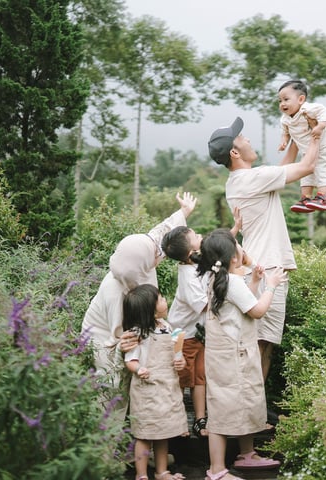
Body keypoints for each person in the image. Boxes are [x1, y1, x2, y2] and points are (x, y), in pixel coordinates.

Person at [208, 116, 320, 385]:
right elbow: (307, 166)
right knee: (261, 344)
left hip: (257, 265)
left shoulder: (241, 181)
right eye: (241, 138)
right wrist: (315, 135)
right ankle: (249, 407)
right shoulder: (252, 179)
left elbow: (281, 170)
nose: (247, 139)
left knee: (259, 342)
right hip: (266, 268)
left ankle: (250, 406)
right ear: (235, 152)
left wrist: (294, 134)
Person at [80, 192, 198, 421]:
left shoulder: (143, 249)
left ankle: (133, 445)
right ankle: (108, 448)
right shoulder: (117, 292)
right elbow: (120, 335)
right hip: (104, 337)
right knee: (114, 390)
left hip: (132, 330)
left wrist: (184, 211)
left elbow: (162, 233)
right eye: (154, 255)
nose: (158, 257)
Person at [196, 229, 287, 480]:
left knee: (245, 399)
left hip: (229, 355)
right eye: (238, 246)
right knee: (223, 410)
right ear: (233, 257)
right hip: (232, 357)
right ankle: (216, 471)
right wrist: (270, 286)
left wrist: (255, 283)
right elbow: (257, 311)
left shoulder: (219, 278)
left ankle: (247, 454)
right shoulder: (231, 282)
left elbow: (241, 304)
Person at [160, 210, 243, 439]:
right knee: (182, 380)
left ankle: (199, 419)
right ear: (191, 251)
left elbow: (217, 248)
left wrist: (233, 231)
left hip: (198, 336)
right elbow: (205, 305)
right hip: (184, 337)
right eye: (195, 234)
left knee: (199, 377)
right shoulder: (187, 276)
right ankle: (175, 423)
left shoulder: (197, 262)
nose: (200, 235)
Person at [122, 284, 188, 480]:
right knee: (144, 434)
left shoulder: (166, 327)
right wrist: (139, 368)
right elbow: (130, 360)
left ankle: (162, 472)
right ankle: (141, 474)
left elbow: (177, 353)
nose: (164, 300)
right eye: (160, 298)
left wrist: (180, 361)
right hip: (147, 391)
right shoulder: (138, 334)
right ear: (148, 308)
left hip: (166, 387)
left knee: (163, 432)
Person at [277, 79, 326, 213]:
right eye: (280, 101)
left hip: (324, 148)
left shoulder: (308, 109)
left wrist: (320, 126)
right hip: (307, 151)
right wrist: (284, 141)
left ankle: (322, 197)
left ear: (301, 99)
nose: (282, 104)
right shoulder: (285, 119)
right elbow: (285, 133)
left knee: (322, 170)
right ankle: (306, 198)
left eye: (286, 99)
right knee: (305, 174)